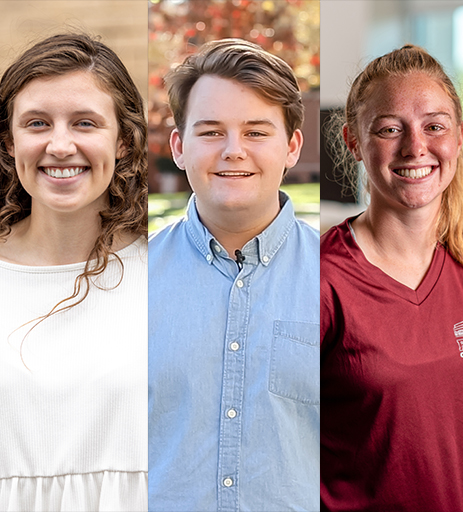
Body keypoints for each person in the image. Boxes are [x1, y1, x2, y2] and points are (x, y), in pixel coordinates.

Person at [0, 33, 148, 511]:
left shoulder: (171, 270)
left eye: (85, 122)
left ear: (125, 143)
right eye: (37, 123)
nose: (59, 144)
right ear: (10, 144)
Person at [147, 38, 319, 511]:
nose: (233, 151)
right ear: (179, 148)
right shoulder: (128, 280)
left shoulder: (341, 278)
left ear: (292, 147)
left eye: (256, 132)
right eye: (211, 132)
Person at [320, 45, 463, 511]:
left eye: (434, 126)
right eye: (390, 129)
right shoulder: (319, 279)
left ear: (457, 138)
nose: (415, 147)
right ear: (353, 141)